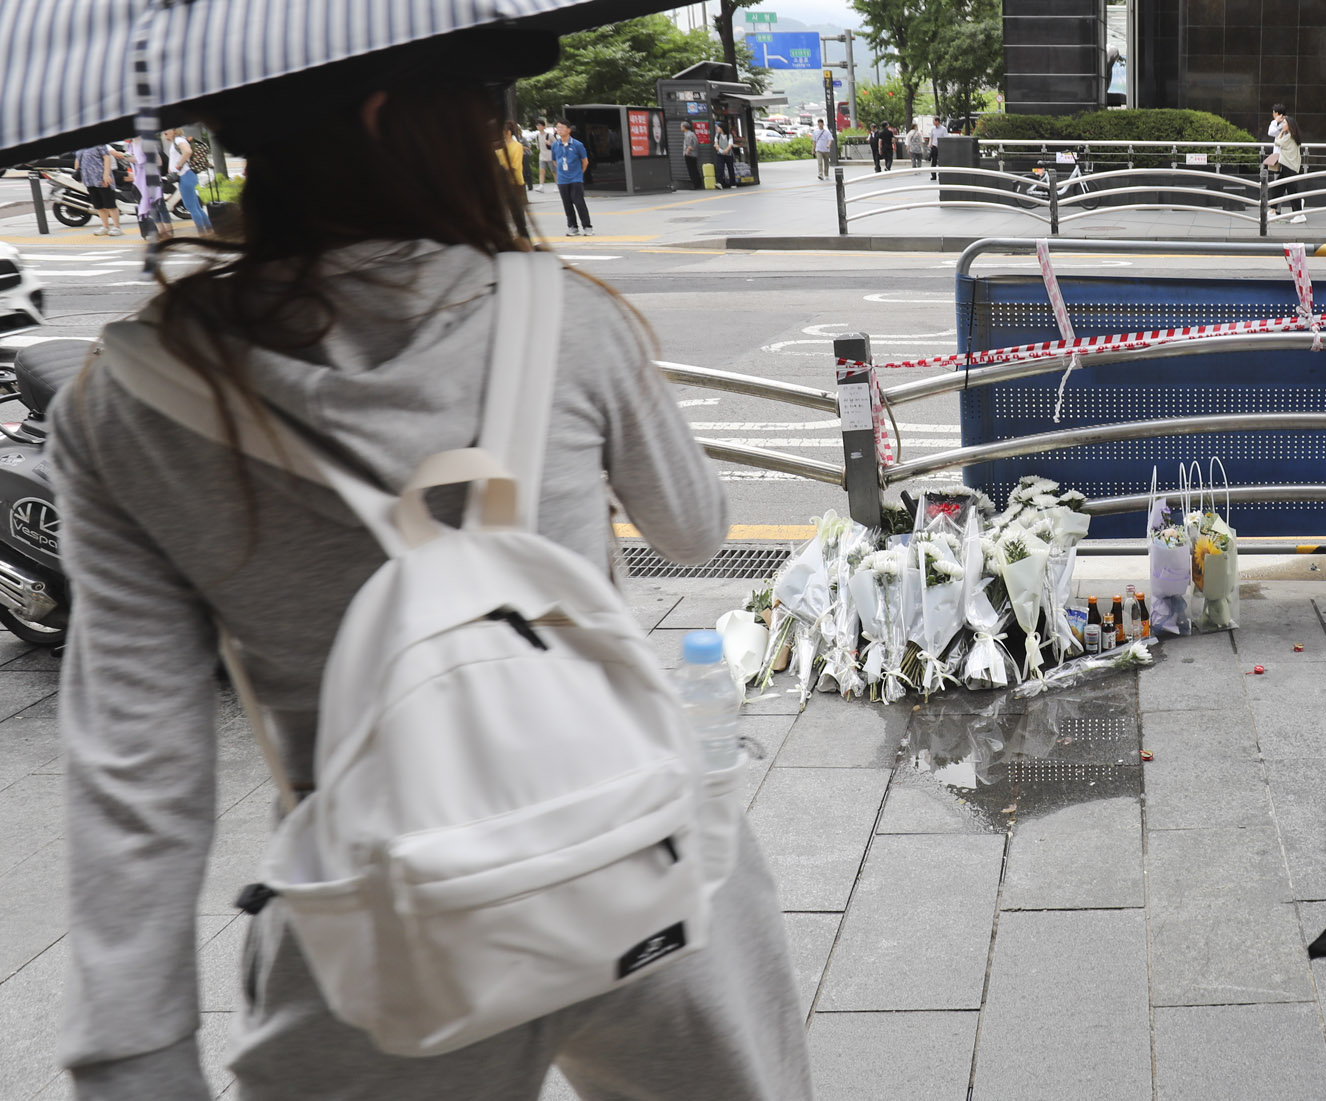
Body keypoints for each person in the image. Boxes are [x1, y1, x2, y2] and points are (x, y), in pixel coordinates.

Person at [53, 39, 808, 1101]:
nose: (500, 128)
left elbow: (137, 753)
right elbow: (691, 530)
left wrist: (132, 1048)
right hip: (643, 863)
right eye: (487, 97)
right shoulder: (566, 317)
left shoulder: (128, 398)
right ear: (380, 112)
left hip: (379, 924)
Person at [165, 128, 213, 234]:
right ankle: (209, 231)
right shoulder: (177, 141)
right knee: (195, 207)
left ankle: (203, 233)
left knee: (191, 207)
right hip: (187, 176)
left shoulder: (178, 140)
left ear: (174, 130)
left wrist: (178, 166)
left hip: (185, 175)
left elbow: (187, 151)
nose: (165, 134)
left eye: (166, 131)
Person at [551, 119, 592, 236]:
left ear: (569, 130)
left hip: (575, 179)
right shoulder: (555, 145)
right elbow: (554, 161)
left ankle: (587, 226)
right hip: (562, 180)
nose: (560, 130)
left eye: (562, 128)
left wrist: (579, 173)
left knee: (579, 202)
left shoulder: (577, 145)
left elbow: (585, 161)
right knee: (567, 203)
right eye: (558, 128)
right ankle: (572, 226)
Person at [1266, 104, 1305, 224]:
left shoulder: (1289, 137)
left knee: (1292, 190)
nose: (1283, 125)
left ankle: (1299, 214)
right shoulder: (1292, 136)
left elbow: (1278, 142)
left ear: (1289, 125)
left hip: (1289, 166)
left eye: (1284, 124)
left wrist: (1281, 131)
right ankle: (1273, 210)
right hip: (1287, 165)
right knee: (1278, 187)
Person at [75, 142, 122, 236]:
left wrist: (106, 174)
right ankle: (105, 226)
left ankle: (117, 227)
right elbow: (77, 160)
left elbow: (107, 157)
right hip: (89, 179)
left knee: (110, 204)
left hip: (101, 178)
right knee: (98, 205)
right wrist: (78, 172)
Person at [496, 122, 526, 207]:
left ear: (508, 132)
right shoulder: (500, 146)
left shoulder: (517, 146)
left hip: (515, 183)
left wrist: (501, 170)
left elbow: (515, 165)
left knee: (517, 210)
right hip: (502, 182)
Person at [536, 117, 556, 191]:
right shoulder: (537, 136)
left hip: (550, 156)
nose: (538, 127)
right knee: (541, 171)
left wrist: (550, 144)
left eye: (540, 125)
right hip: (542, 156)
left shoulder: (549, 135)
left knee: (554, 171)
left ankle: (557, 185)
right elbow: (538, 146)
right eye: (537, 125)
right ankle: (541, 185)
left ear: (544, 126)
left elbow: (556, 144)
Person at [681, 121, 701, 189]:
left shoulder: (688, 135)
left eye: (681, 126)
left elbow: (689, 146)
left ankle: (695, 185)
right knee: (694, 169)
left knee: (691, 170)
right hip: (694, 154)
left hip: (690, 155)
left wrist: (686, 153)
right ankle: (698, 183)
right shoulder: (692, 134)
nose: (681, 128)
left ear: (684, 127)